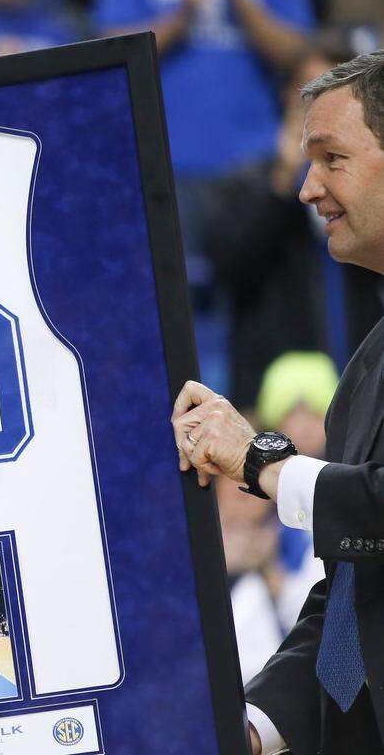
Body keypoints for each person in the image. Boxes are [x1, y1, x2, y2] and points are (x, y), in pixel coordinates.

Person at [172, 51, 384, 754]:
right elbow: (353, 590)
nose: (306, 188)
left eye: (331, 158)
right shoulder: (365, 369)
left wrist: (259, 460)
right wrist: (251, 729)